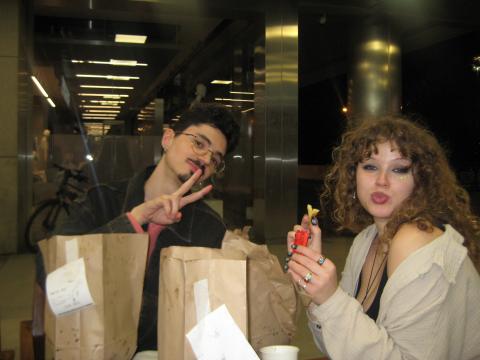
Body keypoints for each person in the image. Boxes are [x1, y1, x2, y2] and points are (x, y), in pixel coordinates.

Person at [35, 103, 240, 354]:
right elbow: (48, 274)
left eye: (216, 158)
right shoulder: (101, 200)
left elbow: (208, 313)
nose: (206, 159)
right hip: (90, 344)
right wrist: (133, 221)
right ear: (168, 138)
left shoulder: (209, 227)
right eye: (199, 143)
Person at [285, 116, 480, 359]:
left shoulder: (416, 240)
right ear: (353, 174)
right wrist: (313, 281)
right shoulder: (366, 240)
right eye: (370, 166)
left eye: (399, 169)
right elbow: (338, 347)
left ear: (421, 180)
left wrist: (330, 297)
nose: (381, 181)